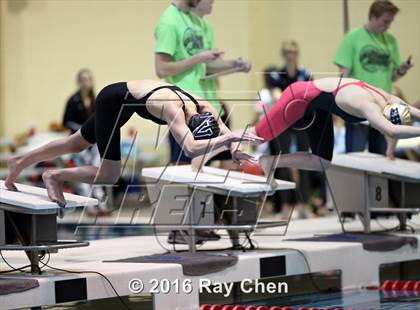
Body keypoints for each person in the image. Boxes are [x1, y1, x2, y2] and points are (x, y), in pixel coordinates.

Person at [5, 80, 261, 206]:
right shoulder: (172, 109)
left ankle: (19, 161)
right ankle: (55, 175)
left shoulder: (203, 106)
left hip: (121, 98)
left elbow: (226, 131)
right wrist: (227, 139)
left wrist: (235, 149)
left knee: (74, 144)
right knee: (109, 174)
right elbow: (191, 148)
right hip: (113, 101)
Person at [193, 77, 420, 174]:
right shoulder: (367, 105)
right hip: (299, 98)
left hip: (318, 108)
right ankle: (205, 149)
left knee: (322, 162)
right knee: (258, 135)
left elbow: (414, 114)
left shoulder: (390, 99)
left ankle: (270, 161)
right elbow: (390, 130)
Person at [154, 0, 250, 164]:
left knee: (228, 165)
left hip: (208, 106)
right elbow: (161, 69)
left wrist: (234, 65)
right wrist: (197, 58)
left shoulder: (195, 20)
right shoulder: (168, 22)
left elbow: (206, 66)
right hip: (186, 111)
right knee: (184, 173)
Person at [333, 0, 413, 156]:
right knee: (355, 157)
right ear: (373, 17)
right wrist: (340, 105)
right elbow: (343, 76)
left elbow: (392, 78)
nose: (388, 25)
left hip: (384, 108)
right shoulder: (352, 38)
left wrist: (402, 70)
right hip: (358, 108)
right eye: (385, 21)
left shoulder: (390, 41)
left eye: (391, 22)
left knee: (381, 158)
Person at [263, 40, 314, 218]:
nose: (290, 55)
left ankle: (303, 204)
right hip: (283, 121)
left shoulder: (305, 73)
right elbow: (277, 96)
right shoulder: (276, 74)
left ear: (297, 53)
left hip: (301, 120)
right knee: (282, 160)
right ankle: (285, 205)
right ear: (283, 54)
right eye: (287, 52)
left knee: (304, 160)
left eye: (293, 51)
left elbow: (308, 96)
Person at [62, 69, 96, 134]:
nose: (85, 82)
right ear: (78, 81)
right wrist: (82, 129)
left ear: (92, 81)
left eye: (88, 79)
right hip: (76, 136)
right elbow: (66, 122)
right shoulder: (72, 100)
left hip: (91, 137)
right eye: (82, 79)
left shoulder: (95, 100)